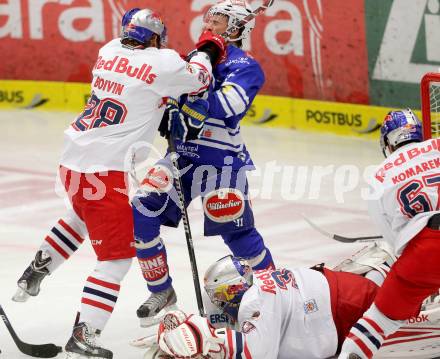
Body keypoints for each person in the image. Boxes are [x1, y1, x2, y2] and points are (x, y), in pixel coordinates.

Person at [11, 7, 226, 358]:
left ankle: (36, 269)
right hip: (104, 170)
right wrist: (210, 45)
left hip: (72, 159)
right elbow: (200, 77)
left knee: (80, 215)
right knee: (116, 259)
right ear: (155, 37)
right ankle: (85, 334)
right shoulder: (164, 62)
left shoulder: (108, 49)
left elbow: (148, 83)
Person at [131, 0, 275, 328]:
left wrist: (191, 88)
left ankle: (276, 294)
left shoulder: (245, 65)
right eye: (207, 21)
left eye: (218, 23)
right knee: (142, 208)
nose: (208, 28)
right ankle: (161, 291)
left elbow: (228, 105)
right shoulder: (192, 59)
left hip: (222, 161)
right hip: (182, 156)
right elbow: (164, 95)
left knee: (238, 237)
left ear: (237, 28)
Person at [151, 250, 440, 359]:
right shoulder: (259, 287)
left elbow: (257, 351)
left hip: (346, 308)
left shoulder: (255, 300)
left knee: (415, 320)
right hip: (342, 294)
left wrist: (205, 336)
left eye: (216, 297)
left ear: (230, 292)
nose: (214, 305)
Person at [338, 109, 440, 359]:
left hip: (424, 251)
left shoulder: (380, 174)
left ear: (387, 141)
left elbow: (396, 242)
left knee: (374, 325)